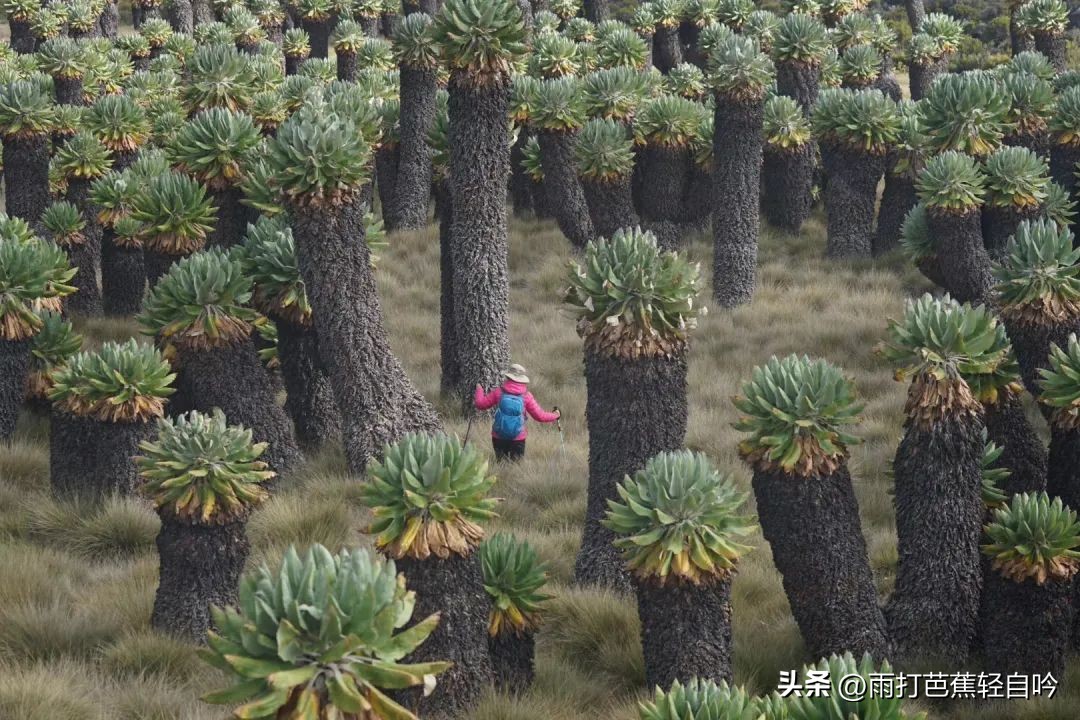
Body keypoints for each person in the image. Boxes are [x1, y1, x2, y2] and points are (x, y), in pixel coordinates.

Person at [474, 363, 560, 461]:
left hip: (498, 436)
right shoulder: (526, 396)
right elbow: (540, 416)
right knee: (516, 467)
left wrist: (479, 389)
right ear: (522, 379)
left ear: (508, 377)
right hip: (518, 438)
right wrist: (555, 415)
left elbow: (480, 404)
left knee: (501, 465)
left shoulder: (499, 392)